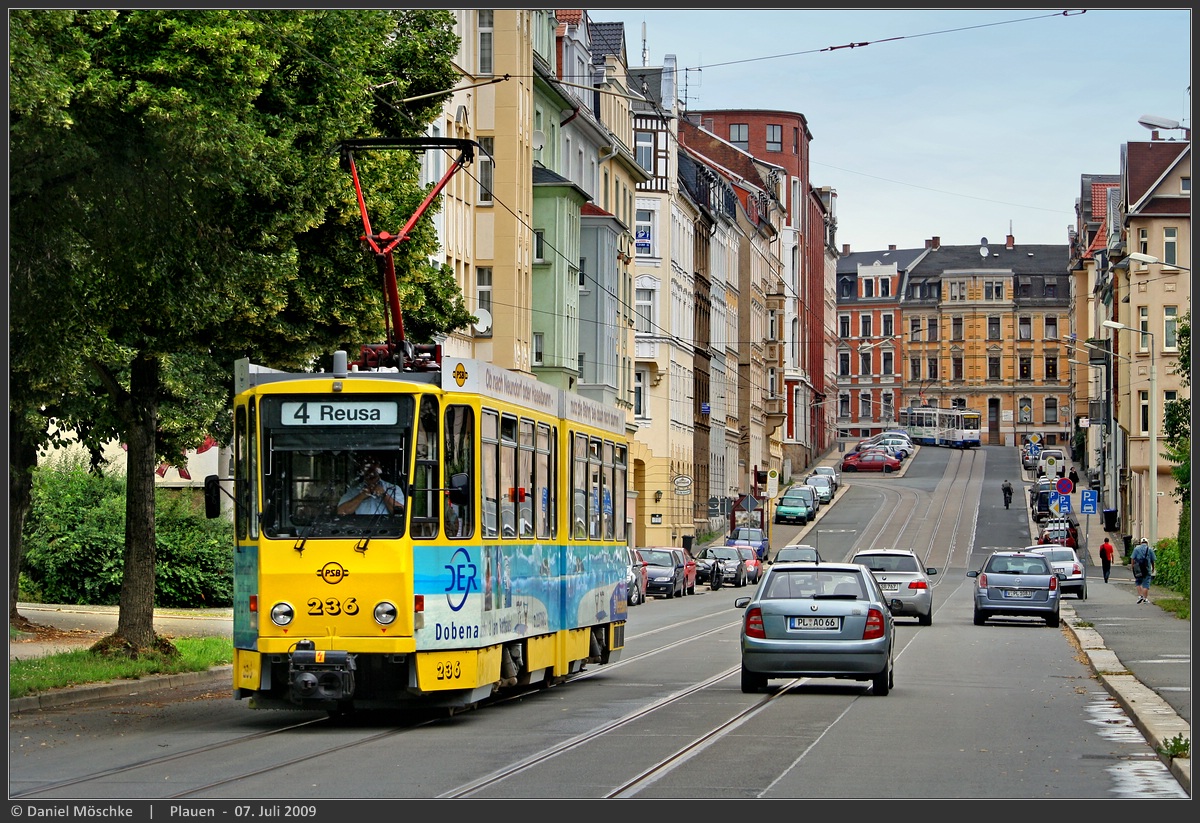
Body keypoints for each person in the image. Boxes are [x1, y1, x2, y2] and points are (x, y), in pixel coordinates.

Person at [336, 455, 402, 516]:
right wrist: (361, 496)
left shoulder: (393, 489)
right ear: (361, 468)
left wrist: (384, 495)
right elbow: (341, 512)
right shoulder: (353, 491)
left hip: (387, 528)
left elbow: (401, 513)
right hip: (361, 528)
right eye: (367, 464)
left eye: (374, 463)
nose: (371, 467)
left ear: (380, 467)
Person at [1130, 537, 1157, 604]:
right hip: (1147, 569)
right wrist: (1153, 568)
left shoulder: (1136, 549)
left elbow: (1132, 558)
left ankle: (1140, 596)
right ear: (1147, 543)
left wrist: (1132, 566)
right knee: (1146, 583)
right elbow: (1153, 560)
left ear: (1141, 542)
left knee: (1138, 582)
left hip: (1138, 569)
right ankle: (1145, 598)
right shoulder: (1150, 549)